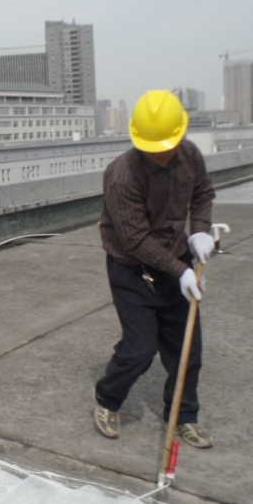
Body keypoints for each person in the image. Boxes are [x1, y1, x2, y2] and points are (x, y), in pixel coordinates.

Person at [94, 90, 215, 448]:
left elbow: (202, 193)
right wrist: (182, 271)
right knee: (140, 349)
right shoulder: (122, 176)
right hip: (131, 268)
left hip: (177, 258)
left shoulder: (190, 155)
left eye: (167, 146)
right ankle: (108, 399)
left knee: (187, 348)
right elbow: (134, 240)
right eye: (153, 147)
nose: (160, 153)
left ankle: (183, 415)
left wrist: (201, 232)